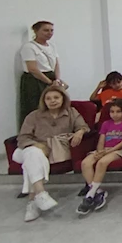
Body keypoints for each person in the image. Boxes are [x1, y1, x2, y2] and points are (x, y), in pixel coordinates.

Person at [17, 85, 88, 221]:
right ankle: (40, 193)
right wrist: (36, 145)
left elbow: (83, 126)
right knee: (33, 153)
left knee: (31, 163)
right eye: (48, 98)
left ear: (63, 99)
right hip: (29, 148)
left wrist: (80, 132)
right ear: (43, 101)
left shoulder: (71, 112)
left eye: (56, 97)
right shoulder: (33, 116)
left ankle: (34, 201)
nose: (52, 101)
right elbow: (22, 138)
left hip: (54, 150)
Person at [77, 99, 122, 216]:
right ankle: (98, 192)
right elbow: (101, 140)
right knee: (85, 163)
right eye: (112, 112)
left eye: (118, 111)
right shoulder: (105, 124)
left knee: (102, 163)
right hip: (104, 150)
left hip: (118, 150)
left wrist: (109, 151)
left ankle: (90, 195)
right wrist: (100, 151)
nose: (114, 114)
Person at [19, 20, 66, 124]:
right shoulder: (29, 47)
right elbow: (32, 69)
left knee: (55, 106)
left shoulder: (52, 46)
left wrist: (57, 80)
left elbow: (56, 64)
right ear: (36, 31)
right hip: (36, 80)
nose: (49, 33)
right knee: (36, 107)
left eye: (51, 30)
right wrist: (49, 83)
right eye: (46, 30)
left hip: (51, 78)